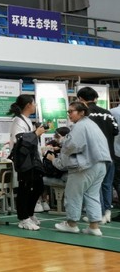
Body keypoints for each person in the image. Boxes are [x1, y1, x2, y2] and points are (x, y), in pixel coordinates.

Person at [47, 101, 111, 236]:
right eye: (68, 112)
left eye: (71, 111)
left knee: (73, 195)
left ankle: (71, 224)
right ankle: (94, 227)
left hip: (86, 166)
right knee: (92, 195)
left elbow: (72, 146)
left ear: (81, 112)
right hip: (101, 164)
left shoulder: (80, 126)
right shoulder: (92, 124)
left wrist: (57, 156)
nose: (69, 114)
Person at [76, 87, 118, 223]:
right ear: (95, 98)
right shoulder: (107, 113)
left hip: (93, 157)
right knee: (107, 185)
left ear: (80, 99)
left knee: (95, 186)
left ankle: (98, 214)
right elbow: (115, 131)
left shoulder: (84, 114)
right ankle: (107, 212)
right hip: (110, 154)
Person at [7, 95, 47, 230]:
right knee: (25, 188)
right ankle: (23, 217)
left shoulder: (27, 120)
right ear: (28, 105)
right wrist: (36, 133)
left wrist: (36, 133)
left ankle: (29, 213)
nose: (35, 106)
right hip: (24, 160)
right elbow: (20, 139)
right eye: (34, 103)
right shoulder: (18, 121)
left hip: (33, 159)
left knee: (38, 186)